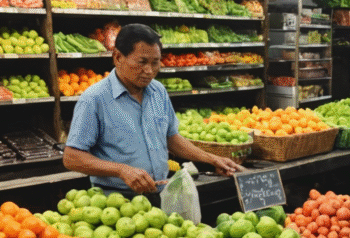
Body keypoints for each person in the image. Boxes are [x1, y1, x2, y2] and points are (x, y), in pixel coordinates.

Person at [63, 23, 243, 195]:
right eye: (142, 62)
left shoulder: (158, 91)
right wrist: (121, 170)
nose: (149, 70)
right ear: (118, 57)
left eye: (155, 62)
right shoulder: (95, 99)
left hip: (162, 193)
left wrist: (212, 159)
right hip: (117, 202)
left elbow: (171, 138)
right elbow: (72, 157)